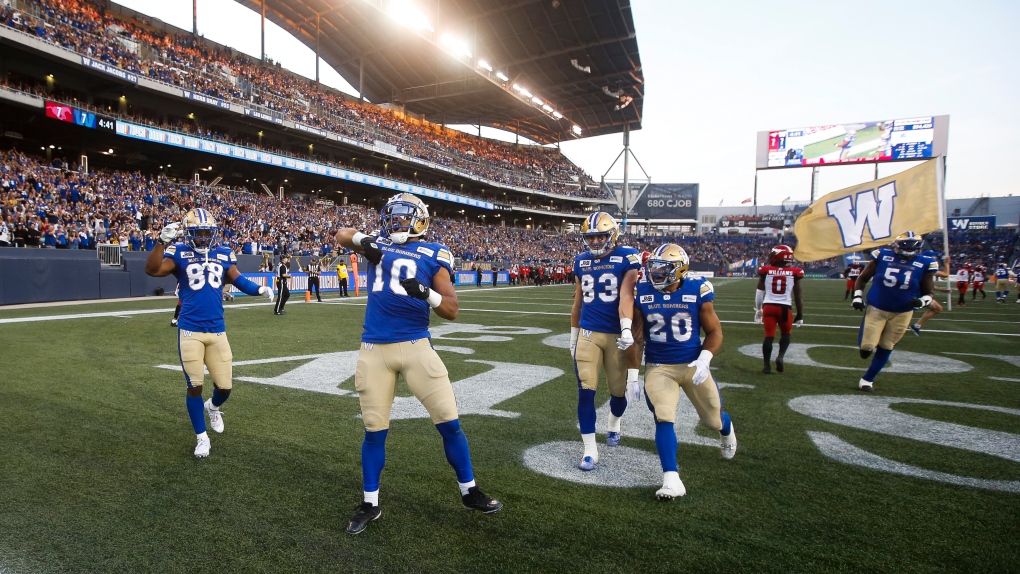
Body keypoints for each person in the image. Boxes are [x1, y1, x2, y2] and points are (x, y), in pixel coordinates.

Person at [334, 192, 502, 535]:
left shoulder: (433, 252)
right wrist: (367, 242)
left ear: (420, 220)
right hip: (374, 348)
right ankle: (370, 503)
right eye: (392, 217)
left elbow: (452, 310)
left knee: (449, 423)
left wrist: (426, 293)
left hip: (416, 346)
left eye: (403, 217)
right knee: (374, 431)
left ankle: (469, 492)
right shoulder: (375, 242)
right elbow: (341, 233)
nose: (396, 223)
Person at [144, 209, 274, 457]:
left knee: (225, 388)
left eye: (207, 232)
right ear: (189, 232)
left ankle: (213, 407)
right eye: (198, 232)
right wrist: (161, 242)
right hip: (190, 331)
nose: (203, 237)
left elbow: (238, 280)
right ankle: (201, 437)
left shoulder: (223, 253)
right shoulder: (179, 252)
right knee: (194, 386)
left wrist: (259, 289)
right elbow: (153, 270)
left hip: (217, 331)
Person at [623, 243, 736, 500]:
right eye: (653, 268)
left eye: (663, 269)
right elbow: (638, 339)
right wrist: (632, 375)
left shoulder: (697, 290)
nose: (655, 274)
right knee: (663, 416)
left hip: (693, 364)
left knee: (712, 420)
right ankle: (672, 479)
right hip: (659, 367)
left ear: (680, 270)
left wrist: (705, 359)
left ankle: (726, 429)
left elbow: (715, 332)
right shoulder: (643, 292)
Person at [570, 212, 642, 470]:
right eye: (591, 237)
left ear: (612, 234)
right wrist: (573, 334)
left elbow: (627, 296)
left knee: (618, 394)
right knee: (585, 392)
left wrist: (625, 329)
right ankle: (590, 450)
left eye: (601, 235)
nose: (596, 241)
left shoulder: (627, 256)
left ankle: (613, 422)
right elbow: (578, 301)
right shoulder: (581, 261)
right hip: (588, 333)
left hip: (616, 335)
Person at [851, 232, 937, 392]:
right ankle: (867, 349)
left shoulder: (925, 263)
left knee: (887, 345)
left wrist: (922, 301)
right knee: (866, 348)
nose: (910, 249)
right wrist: (857, 297)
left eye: (913, 246)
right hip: (877, 307)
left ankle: (868, 379)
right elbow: (862, 278)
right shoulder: (882, 256)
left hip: (903, 311)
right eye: (907, 245)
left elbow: (929, 292)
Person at [753, 245, 804, 374]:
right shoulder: (794, 272)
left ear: (777, 256)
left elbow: (759, 293)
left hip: (769, 306)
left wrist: (758, 310)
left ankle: (766, 366)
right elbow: (798, 295)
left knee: (769, 336)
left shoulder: (766, 270)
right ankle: (780, 357)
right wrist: (800, 314)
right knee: (786, 334)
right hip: (785, 308)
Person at [911, 252, 950, 336]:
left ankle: (917, 326)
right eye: (933, 257)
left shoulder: (918, 266)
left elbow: (928, 284)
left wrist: (942, 290)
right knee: (903, 315)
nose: (935, 259)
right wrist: (946, 264)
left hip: (919, 293)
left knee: (938, 308)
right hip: (919, 294)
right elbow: (945, 275)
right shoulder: (925, 266)